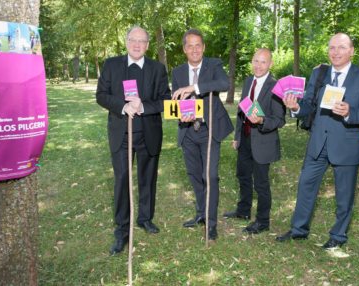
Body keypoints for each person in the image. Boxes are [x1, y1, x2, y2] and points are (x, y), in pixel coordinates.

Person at [276, 33, 359, 249]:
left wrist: (350, 112)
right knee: (305, 186)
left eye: (341, 47)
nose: (336, 52)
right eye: (332, 47)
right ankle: (298, 230)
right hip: (318, 142)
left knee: (344, 194)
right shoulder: (319, 73)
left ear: (351, 51)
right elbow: (308, 104)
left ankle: (338, 236)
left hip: (347, 143)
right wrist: (295, 108)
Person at [96, 26, 171, 255]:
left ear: (147, 45)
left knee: (147, 180)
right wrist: (123, 106)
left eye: (141, 41)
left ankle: (145, 218)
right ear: (126, 42)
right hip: (121, 135)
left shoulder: (157, 69)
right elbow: (101, 95)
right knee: (122, 181)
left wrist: (144, 106)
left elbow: (166, 101)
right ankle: (122, 228)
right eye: (132, 40)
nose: (137, 45)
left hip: (148, 134)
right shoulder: (111, 65)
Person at [171, 29, 233, 241]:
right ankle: (201, 214)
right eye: (190, 45)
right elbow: (176, 100)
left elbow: (224, 84)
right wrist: (182, 114)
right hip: (188, 132)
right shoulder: (177, 71)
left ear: (203, 47)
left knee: (211, 177)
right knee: (195, 176)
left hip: (210, 130)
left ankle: (212, 224)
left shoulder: (213, 65)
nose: (195, 49)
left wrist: (194, 87)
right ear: (184, 49)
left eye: (198, 45)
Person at [223, 48, 285, 234]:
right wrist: (237, 136)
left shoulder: (276, 86)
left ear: (270, 64)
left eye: (263, 62)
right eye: (256, 61)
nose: (258, 65)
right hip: (245, 139)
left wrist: (262, 120)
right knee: (242, 176)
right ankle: (243, 211)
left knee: (261, 183)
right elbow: (242, 111)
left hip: (263, 141)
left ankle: (263, 221)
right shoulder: (248, 81)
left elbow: (279, 119)